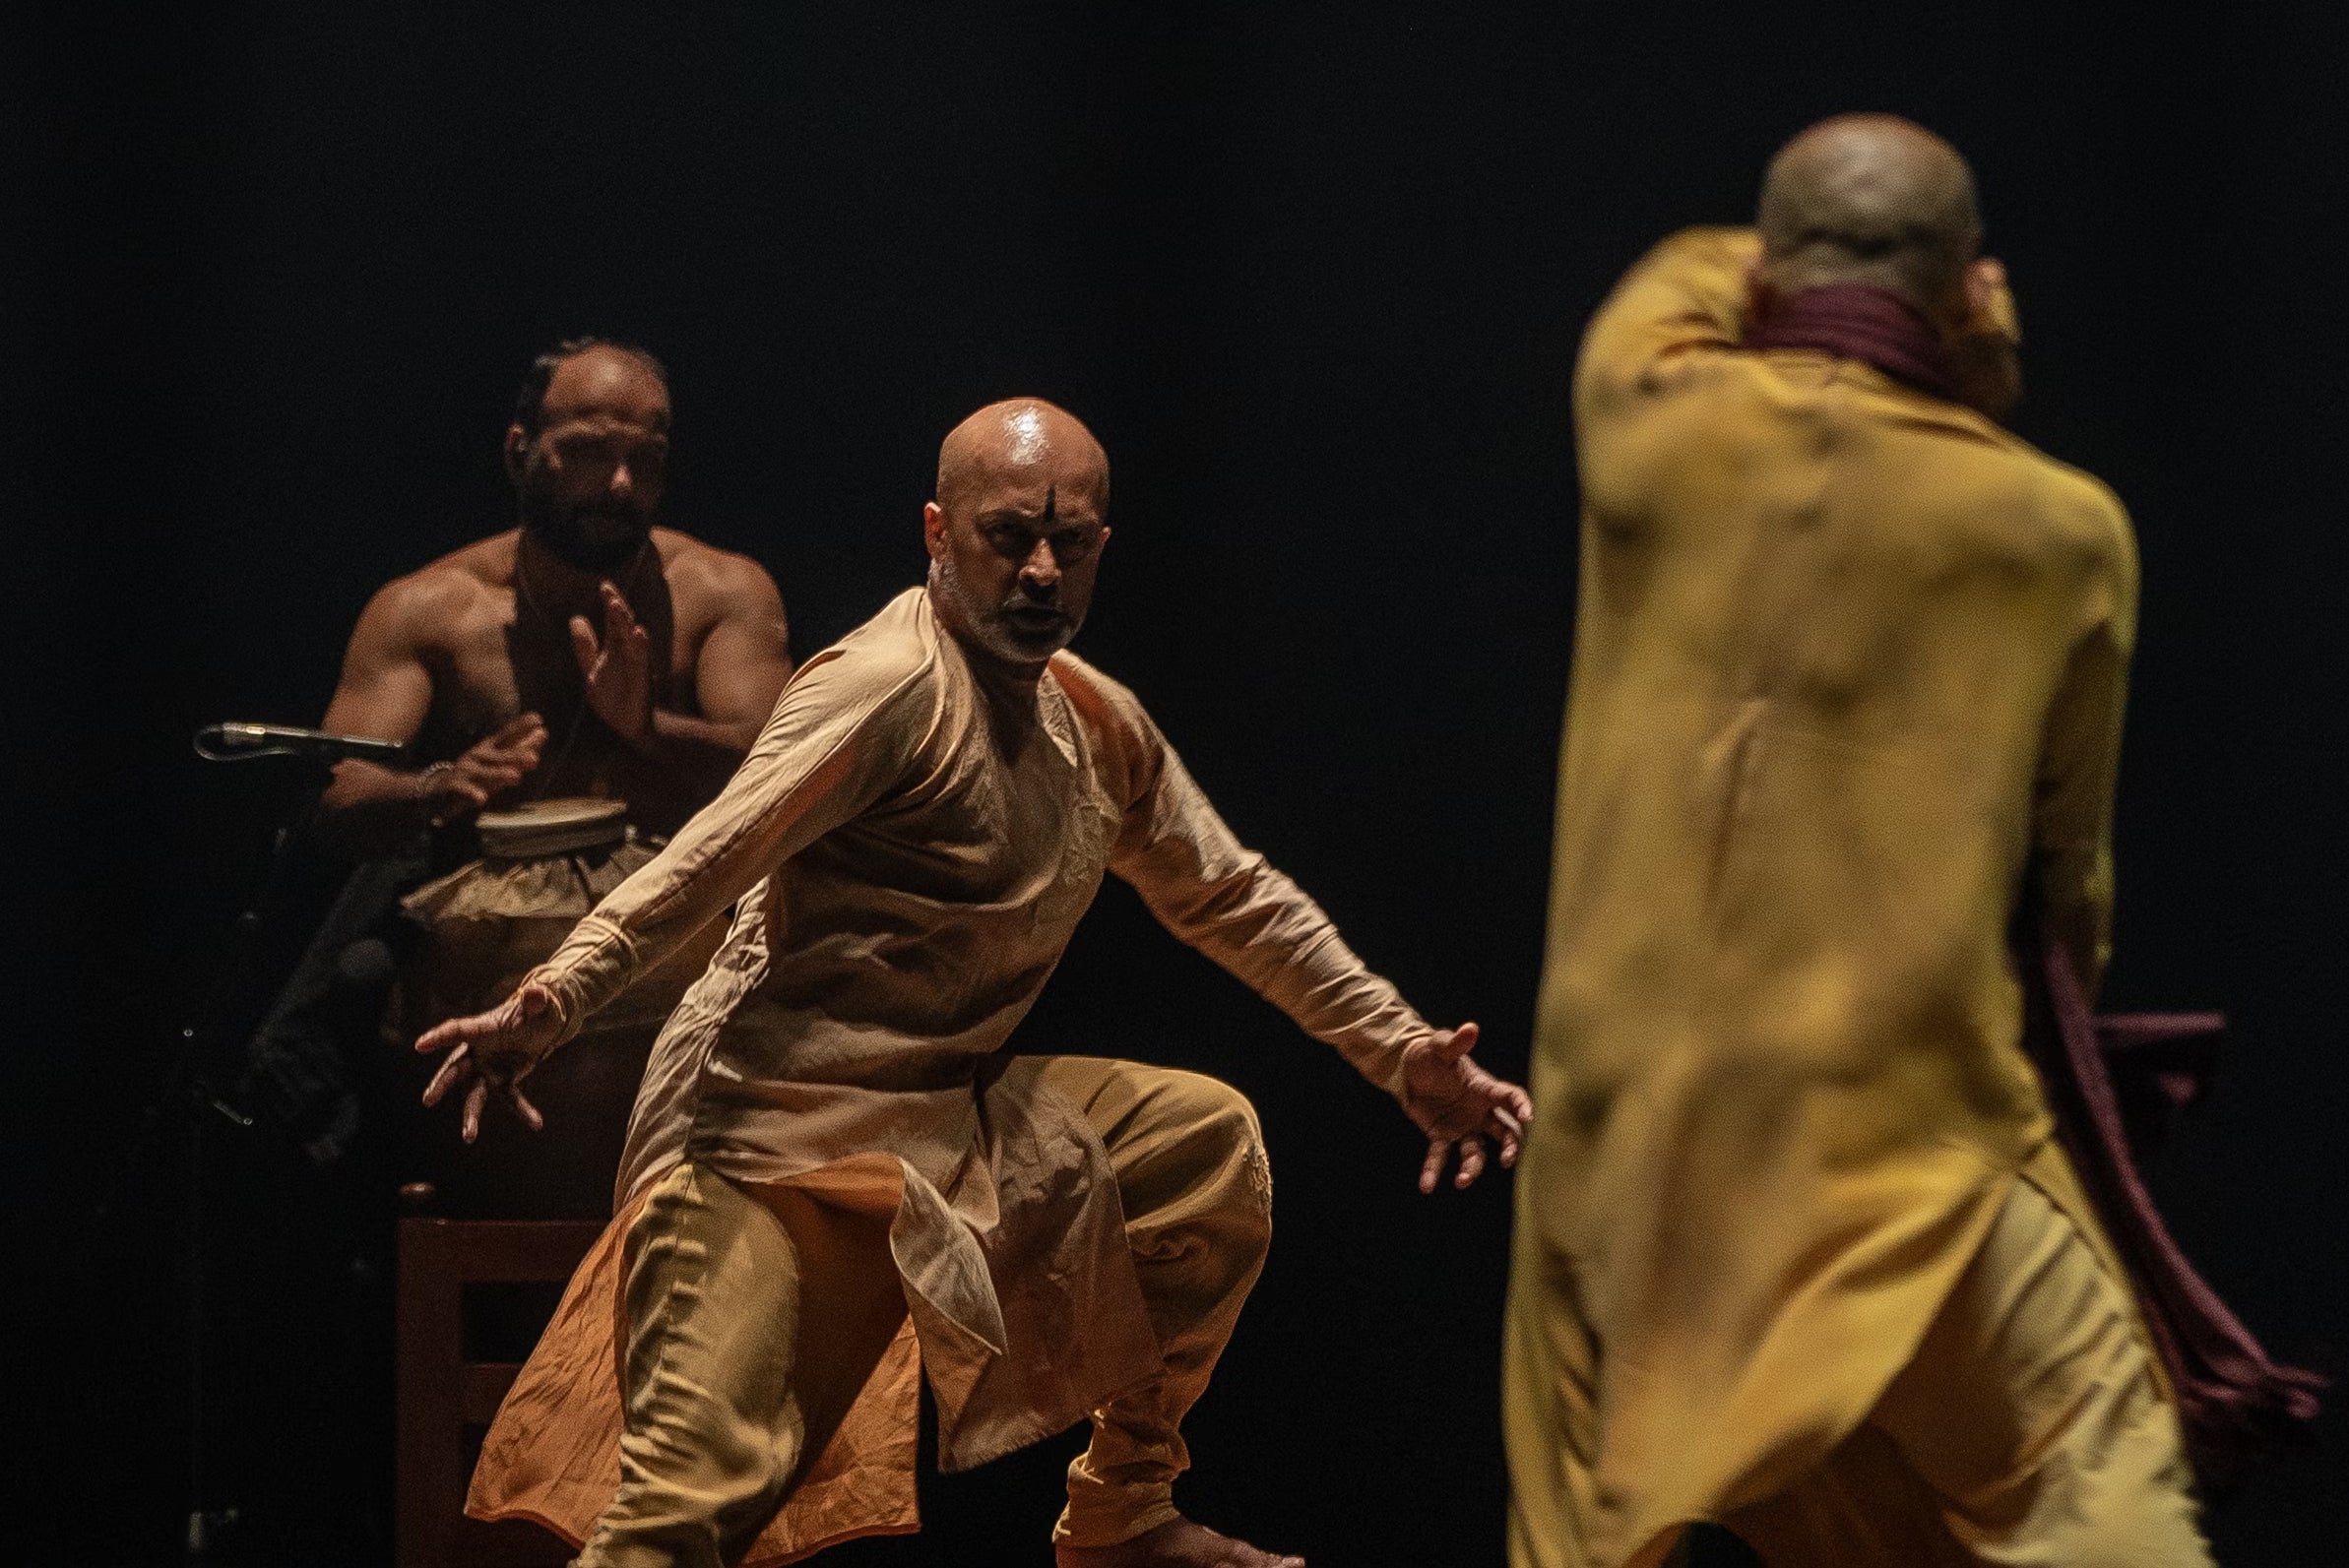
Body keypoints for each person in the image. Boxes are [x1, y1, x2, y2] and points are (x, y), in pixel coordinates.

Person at [417, 399, 1531, 1568]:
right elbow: (709, 858)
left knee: (1202, 1144)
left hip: (946, 1127)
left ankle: (1122, 1508)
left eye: (1075, 543)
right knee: (693, 1499)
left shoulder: (1093, 722)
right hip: (766, 1144)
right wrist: (553, 997)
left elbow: (1231, 895)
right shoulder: (890, 685)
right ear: (939, 533)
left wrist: (1398, 1048)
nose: (1043, 569)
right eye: (1011, 538)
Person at [1503, 117, 2210, 1567]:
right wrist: (1979, 346)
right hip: (1906, 1168)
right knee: (2096, 1466)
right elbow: (2065, 894)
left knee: (1587, 1527)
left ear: (1769, 271)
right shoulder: (2057, 532)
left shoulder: (1639, 409)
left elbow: (1693, 269)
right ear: (1965, 287)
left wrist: (1807, 273)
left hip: (1623, 1164)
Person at [312, 338, 794, 1213]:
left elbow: (781, 765)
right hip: (470, 949)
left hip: (667, 928)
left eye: (643, 460)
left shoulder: (719, 591)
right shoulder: (431, 608)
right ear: (519, 450)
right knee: (342, 1001)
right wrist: (434, 788)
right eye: (587, 451)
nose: (618, 485)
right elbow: (336, 790)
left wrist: (646, 727)